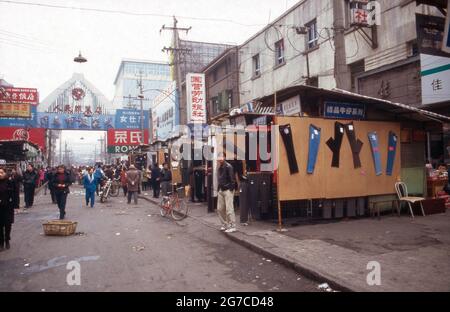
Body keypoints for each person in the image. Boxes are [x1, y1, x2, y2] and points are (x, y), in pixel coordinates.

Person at [217, 156, 237, 233]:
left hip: (228, 190)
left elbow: (232, 179)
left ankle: (232, 226)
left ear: (224, 157)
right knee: (220, 208)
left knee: (229, 209)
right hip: (221, 190)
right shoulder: (220, 167)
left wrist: (230, 189)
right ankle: (225, 224)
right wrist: (219, 189)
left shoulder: (229, 166)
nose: (220, 159)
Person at [0, 167, 17, 251]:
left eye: (2, 172)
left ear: (5, 173)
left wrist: (15, 205)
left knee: (7, 225)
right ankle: (1, 242)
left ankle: (7, 240)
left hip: (8, 207)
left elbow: (15, 193)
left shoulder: (10, 182)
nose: (0, 174)